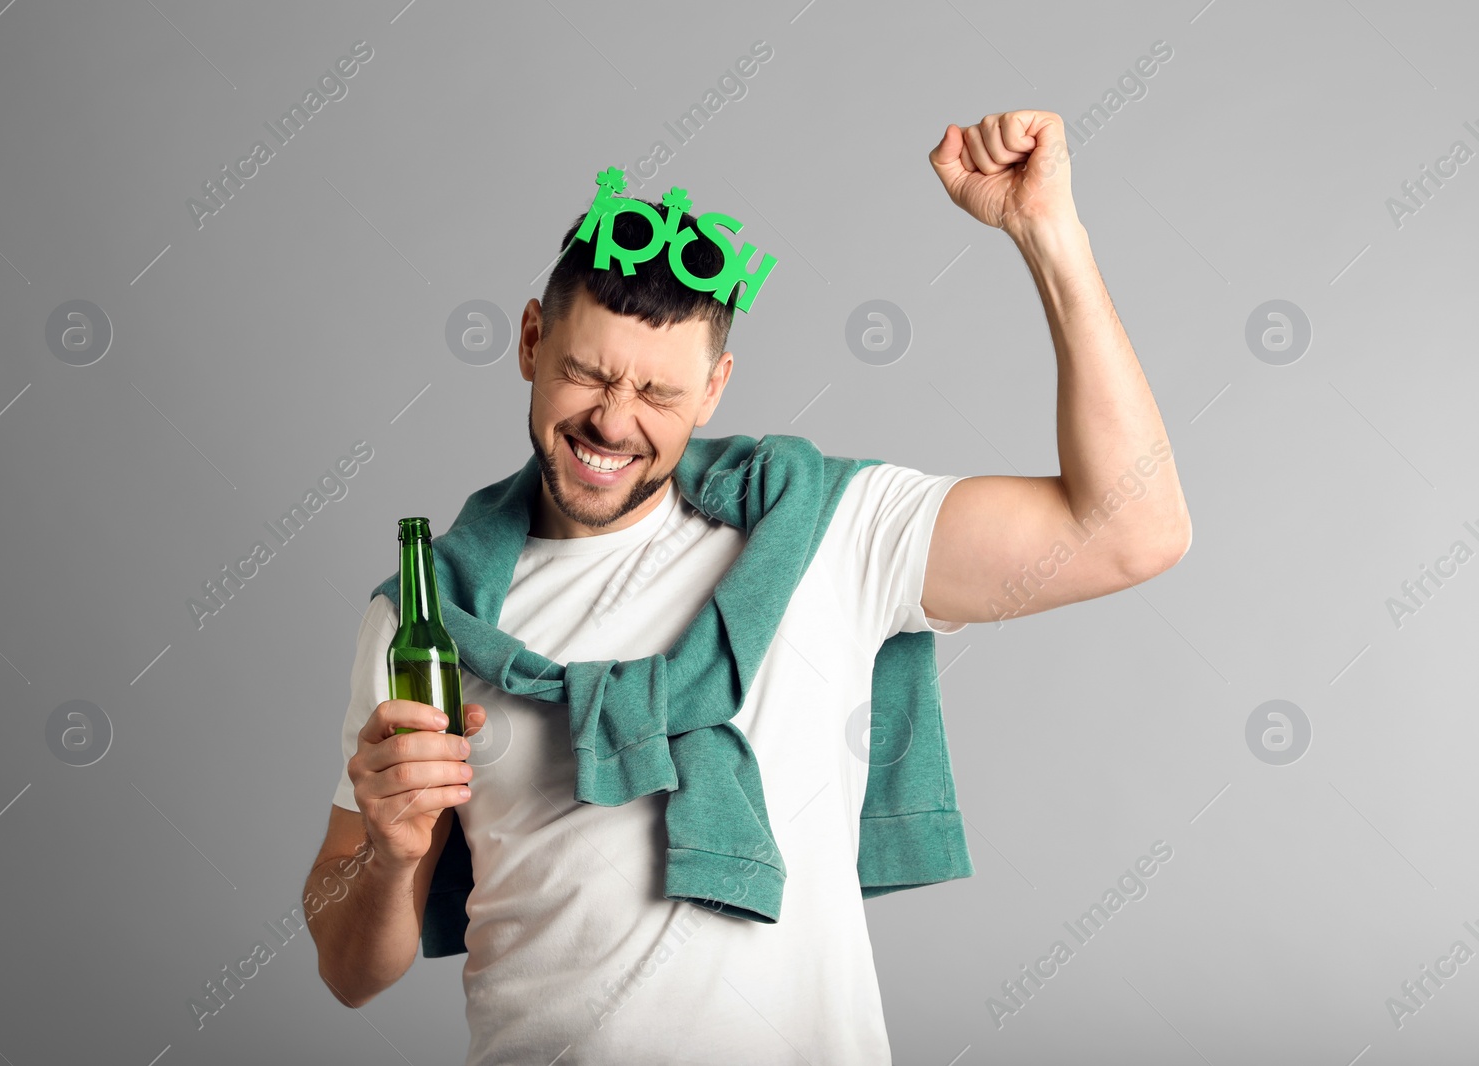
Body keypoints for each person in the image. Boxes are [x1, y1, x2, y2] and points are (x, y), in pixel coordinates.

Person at [303, 111, 1191, 1064]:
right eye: (586, 374)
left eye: (658, 394)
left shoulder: (826, 531)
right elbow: (349, 968)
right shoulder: (428, 618)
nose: (612, 422)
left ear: (717, 386)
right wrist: (391, 858)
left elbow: (1134, 530)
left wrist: (1050, 236)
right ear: (528, 342)